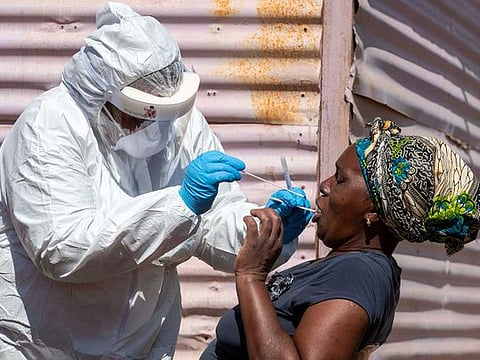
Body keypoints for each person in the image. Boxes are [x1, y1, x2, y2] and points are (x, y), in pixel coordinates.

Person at [0, 2, 312, 359]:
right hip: (44, 346)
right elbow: (61, 249)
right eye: (134, 114)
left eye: (159, 114)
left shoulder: (177, 122)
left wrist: (264, 232)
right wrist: (179, 206)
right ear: (99, 95)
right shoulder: (49, 126)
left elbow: (211, 224)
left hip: (140, 343)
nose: (147, 127)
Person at [201, 117, 480, 360]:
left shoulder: (357, 273)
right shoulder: (350, 266)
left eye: (340, 179)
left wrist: (250, 275)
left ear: (373, 212)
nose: (324, 186)